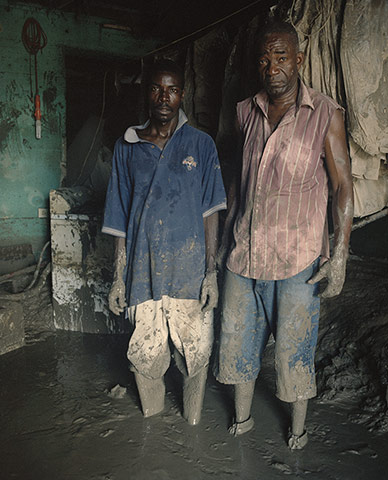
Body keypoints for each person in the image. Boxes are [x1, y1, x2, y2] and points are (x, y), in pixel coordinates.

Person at [214, 20, 353, 449]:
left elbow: (343, 184)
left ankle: (297, 429)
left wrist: (341, 254)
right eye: (263, 59)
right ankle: (242, 420)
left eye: (280, 57)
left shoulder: (325, 114)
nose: (271, 67)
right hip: (245, 253)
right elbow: (240, 179)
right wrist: (224, 241)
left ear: (298, 60)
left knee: (294, 347)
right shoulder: (244, 112)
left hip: (298, 257)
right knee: (236, 338)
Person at [102, 59, 226, 424]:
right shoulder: (127, 146)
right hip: (144, 275)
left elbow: (211, 212)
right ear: (148, 93)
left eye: (172, 90)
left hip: (189, 275)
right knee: (145, 356)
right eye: (157, 89)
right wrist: (118, 276)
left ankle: (192, 426)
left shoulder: (200, 145)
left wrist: (210, 274)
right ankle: (152, 425)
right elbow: (117, 217)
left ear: (182, 95)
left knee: (196, 355)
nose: (164, 97)